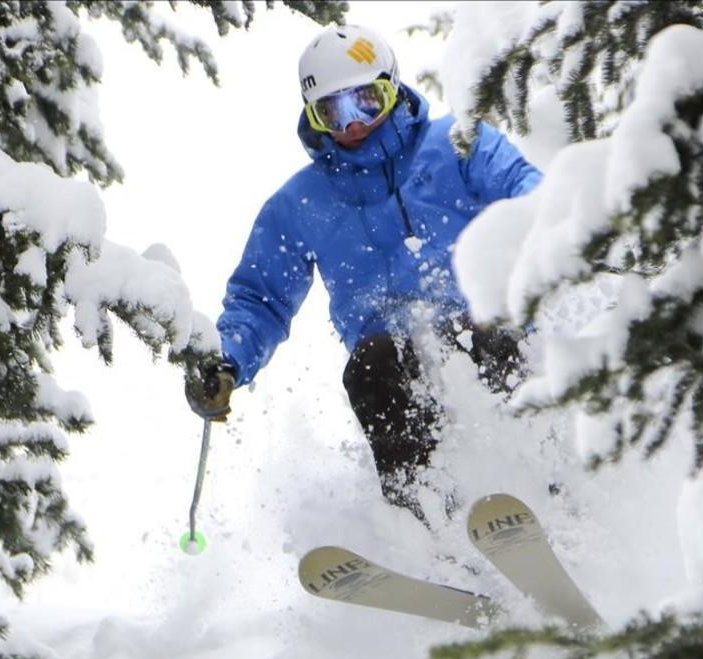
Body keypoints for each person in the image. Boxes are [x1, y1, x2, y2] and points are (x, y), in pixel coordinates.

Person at [185, 25, 541, 522]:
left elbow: (528, 191)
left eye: (365, 103)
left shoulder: (458, 143)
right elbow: (260, 297)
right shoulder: (303, 202)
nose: (352, 125)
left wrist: (561, 231)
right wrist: (228, 361)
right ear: (313, 118)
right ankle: (426, 526)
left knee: (490, 333)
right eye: (331, 112)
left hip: (484, 323)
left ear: (392, 89)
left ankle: (549, 484)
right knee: (372, 365)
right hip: (396, 354)